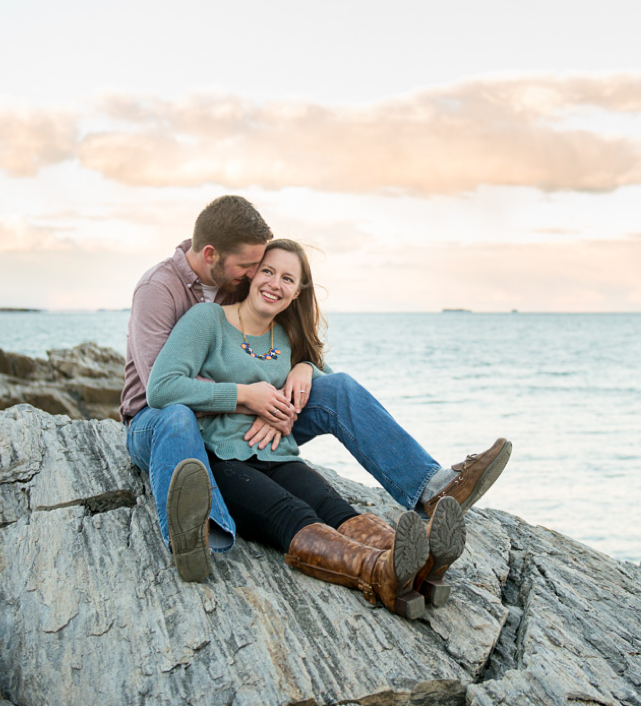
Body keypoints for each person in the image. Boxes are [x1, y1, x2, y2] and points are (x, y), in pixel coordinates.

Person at [121, 196, 511, 584]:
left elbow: (289, 358)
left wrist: (303, 371)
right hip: (160, 423)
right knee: (179, 417)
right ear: (211, 255)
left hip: (252, 425)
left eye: (275, 273)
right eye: (255, 268)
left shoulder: (237, 287)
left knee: (337, 389)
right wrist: (251, 399)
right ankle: (195, 533)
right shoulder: (164, 291)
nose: (258, 276)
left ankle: (432, 491)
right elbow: (163, 385)